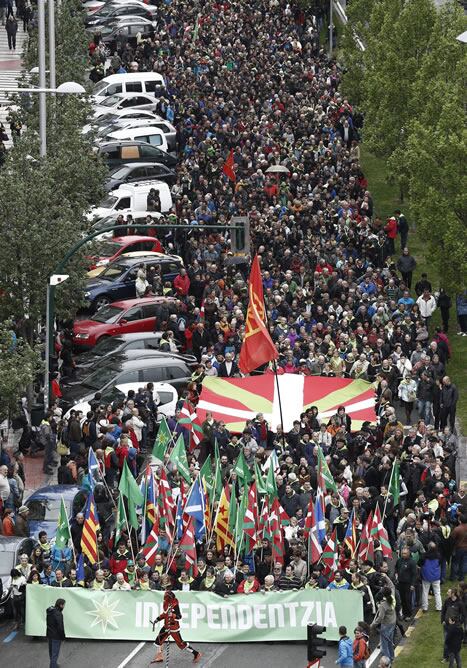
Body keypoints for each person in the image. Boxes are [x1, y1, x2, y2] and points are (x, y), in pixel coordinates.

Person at [150, 585, 201, 663]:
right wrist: (157, 619)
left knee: (181, 644)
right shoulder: (165, 603)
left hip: (173, 627)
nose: (164, 596)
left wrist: (173, 615)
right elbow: (164, 614)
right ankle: (159, 655)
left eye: (166, 595)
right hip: (166, 626)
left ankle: (196, 653)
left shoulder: (175, 605)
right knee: (159, 640)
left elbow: (179, 616)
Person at [371, 587, 396, 665]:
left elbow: (380, 617)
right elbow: (392, 586)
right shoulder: (392, 598)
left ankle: (387, 663)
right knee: (389, 642)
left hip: (386, 625)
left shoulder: (383, 604)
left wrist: (373, 625)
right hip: (392, 622)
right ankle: (392, 658)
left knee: (384, 646)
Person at [46, 598, 66, 668]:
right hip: (56, 637)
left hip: (49, 635)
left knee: (51, 653)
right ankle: (53, 666)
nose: (64, 606)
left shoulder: (50, 611)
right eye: (63, 605)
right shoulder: (58, 614)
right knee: (55, 654)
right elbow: (60, 627)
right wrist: (63, 637)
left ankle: (54, 665)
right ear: (60, 605)